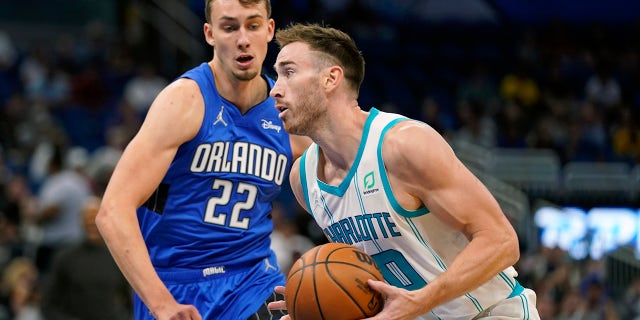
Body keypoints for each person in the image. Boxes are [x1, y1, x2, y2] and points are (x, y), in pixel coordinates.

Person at [267, 23, 540, 319]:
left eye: (288, 72)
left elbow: (501, 241)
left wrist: (421, 301)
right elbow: (368, 276)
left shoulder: (403, 146)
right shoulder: (303, 181)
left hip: (491, 312)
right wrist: (317, 306)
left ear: (331, 78)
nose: (275, 89)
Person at [95, 1, 310, 319]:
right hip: (176, 286)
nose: (242, 39)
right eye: (229, 27)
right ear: (209, 34)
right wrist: (162, 304)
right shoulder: (184, 101)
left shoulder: (288, 110)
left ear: (270, 30)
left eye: (252, 25)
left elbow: (344, 176)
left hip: (254, 281)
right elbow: (112, 211)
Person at [40, 196, 132, 320]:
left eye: (95, 218)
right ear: (81, 221)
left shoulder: (117, 257)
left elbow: (128, 302)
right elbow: (48, 305)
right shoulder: (65, 258)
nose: (92, 223)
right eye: (88, 218)